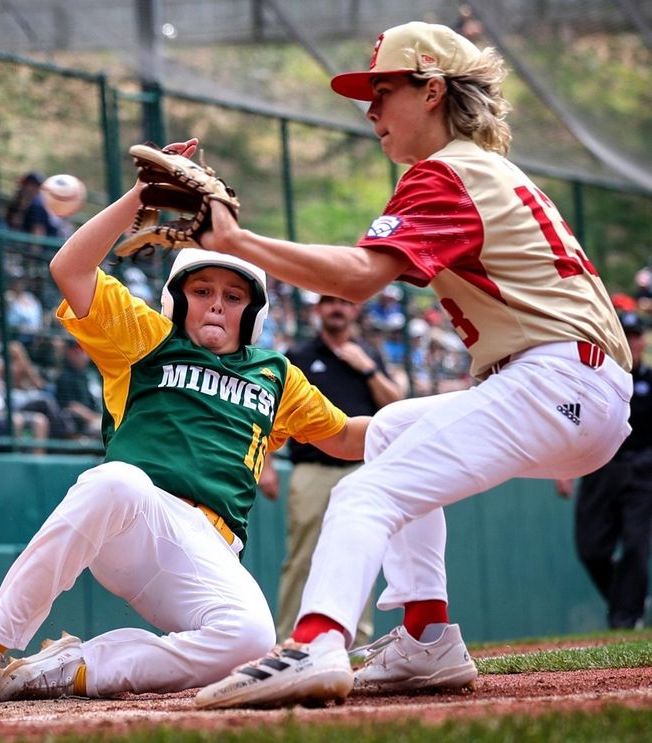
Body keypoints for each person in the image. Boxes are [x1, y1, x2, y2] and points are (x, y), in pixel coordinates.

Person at [194, 20, 633, 709]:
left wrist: (236, 240)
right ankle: (428, 637)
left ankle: (316, 641)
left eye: (384, 89)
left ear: (432, 92)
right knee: (395, 430)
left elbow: (359, 277)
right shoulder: (478, 172)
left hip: (557, 381)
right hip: (575, 387)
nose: (370, 110)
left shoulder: (447, 174)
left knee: (363, 494)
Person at [0, 144, 370, 705]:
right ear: (178, 299)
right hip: (133, 517)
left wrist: (430, 423)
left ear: (253, 311)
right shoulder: (146, 338)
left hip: (208, 549)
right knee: (116, 479)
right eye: (202, 291)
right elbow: (69, 268)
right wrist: (139, 199)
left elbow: (346, 437)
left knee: (250, 641)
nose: (217, 305)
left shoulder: (277, 374)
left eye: (233, 296)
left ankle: (67, 669)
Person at [264, 294, 401, 646]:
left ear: (355, 309)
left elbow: (397, 407)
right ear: (317, 310)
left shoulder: (368, 354)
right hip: (312, 468)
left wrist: (367, 368)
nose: (336, 307)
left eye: (344, 301)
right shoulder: (298, 356)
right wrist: (264, 464)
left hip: (362, 468)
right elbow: (268, 409)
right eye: (328, 302)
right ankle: (287, 640)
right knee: (302, 557)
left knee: (360, 553)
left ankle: (356, 643)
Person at [555, 311, 652, 630]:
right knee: (591, 550)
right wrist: (564, 470)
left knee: (637, 546)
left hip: (641, 471)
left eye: (635, 335)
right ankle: (626, 603)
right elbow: (574, 424)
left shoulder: (649, 381)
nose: (631, 341)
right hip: (599, 467)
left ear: (641, 340)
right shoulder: (593, 380)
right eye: (625, 334)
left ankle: (627, 619)